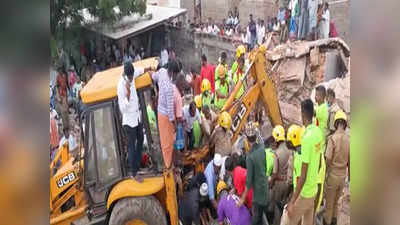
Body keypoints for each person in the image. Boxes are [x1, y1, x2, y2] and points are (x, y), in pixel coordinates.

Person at [287, 99, 323, 225]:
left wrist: (292, 201)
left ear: (302, 114)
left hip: (305, 192)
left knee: (287, 221)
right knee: (307, 222)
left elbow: (303, 175)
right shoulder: (318, 132)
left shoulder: (306, 139)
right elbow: (319, 164)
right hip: (313, 190)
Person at [118, 61, 152, 181]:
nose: (132, 78)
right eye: (131, 76)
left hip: (137, 117)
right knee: (131, 146)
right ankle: (133, 173)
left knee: (141, 139)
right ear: (126, 75)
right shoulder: (121, 85)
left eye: (133, 75)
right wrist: (127, 96)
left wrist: (148, 68)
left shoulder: (133, 74)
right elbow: (122, 108)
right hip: (128, 120)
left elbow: (139, 70)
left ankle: (137, 164)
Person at [238, 122, 274, 225]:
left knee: (256, 219)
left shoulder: (250, 157)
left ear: (247, 139)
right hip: (265, 190)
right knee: (264, 214)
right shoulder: (262, 147)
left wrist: (242, 199)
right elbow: (259, 138)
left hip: (257, 196)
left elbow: (248, 182)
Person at [151, 60, 180, 169]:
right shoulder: (169, 88)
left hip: (160, 112)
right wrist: (175, 125)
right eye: (176, 74)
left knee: (164, 140)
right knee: (168, 143)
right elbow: (170, 111)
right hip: (165, 116)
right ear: (172, 72)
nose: (176, 76)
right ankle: (168, 166)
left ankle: (168, 162)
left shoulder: (162, 72)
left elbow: (154, 76)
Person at [323, 110, 350, 225]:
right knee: (335, 205)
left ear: (336, 123)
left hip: (333, 176)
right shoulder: (349, 140)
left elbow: (328, 159)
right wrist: (349, 178)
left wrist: (325, 173)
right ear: (344, 124)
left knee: (328, 206)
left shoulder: (332, 139)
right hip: (342, 177)